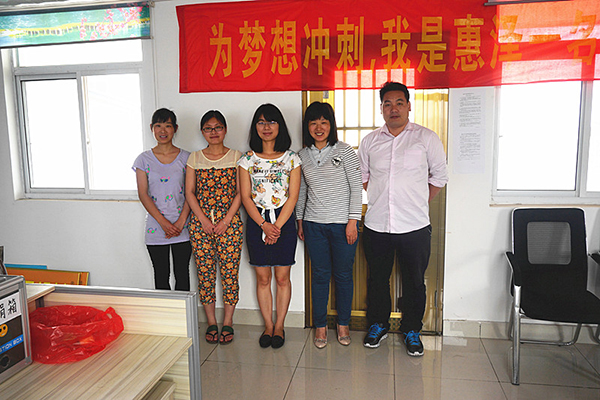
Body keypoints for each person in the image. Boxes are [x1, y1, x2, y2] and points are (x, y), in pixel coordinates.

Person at [358, 82, 448, 356]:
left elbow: (439, 177)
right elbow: (363, 178)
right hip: (377, 224)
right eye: (387, 103)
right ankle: (378, 325)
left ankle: (412, 330)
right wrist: (384, 197)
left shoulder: (426, 138)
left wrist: (416, 201)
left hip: (415, 226)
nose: (393, 108)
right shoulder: (370, 141)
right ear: (381, 108)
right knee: (377, 280)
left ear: (409, 106)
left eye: (399, 103)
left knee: (414, 282)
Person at [295, 101, 362, 348]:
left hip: (343, 226)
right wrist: (300, 220)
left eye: (324, 122)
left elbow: (357, 189)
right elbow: (301, 191)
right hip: (314, 225)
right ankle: (321, 326)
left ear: (331, 125)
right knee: (320, 276)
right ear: (307, 126)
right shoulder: (302, 155)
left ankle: (343, 324)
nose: (319, 127)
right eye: (313, 122)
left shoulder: (345, 151)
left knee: (343, 276)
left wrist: (353, 221)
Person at [238, 103, 301, 349]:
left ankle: (280, 326)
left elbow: (293, 197)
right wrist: (264, 225)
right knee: (263, 278)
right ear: (255, 127)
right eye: (261, 122)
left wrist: (276, 227)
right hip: (257, 222)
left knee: (283, 278)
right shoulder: (247, 160)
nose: (267, 127)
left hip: (284, 221)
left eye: (272, 122)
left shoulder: (292, 158)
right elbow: (245, 197)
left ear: (280, 126)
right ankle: (268, 325)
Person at [185, 110, 243, 345]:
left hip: (230, 226)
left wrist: (226, 221)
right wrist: (203, 220)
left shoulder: (237, 157)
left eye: (218, 127)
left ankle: (228, 321)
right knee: (205, 274)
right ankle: (211, 321)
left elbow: (241, 192)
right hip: (200, 226)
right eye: (208, 128)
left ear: (225, 129)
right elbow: (190, 192)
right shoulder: (195, 158)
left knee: (230, 274)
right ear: (202, 132)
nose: (213, 132)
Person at [133, 108, 192, 292]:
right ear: (152, 127)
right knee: (161, 276)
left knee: (182, 274)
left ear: (175, 128)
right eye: (158, 125)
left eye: (167, 125)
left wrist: (180, 222)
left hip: (183, 226)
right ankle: (164, 312)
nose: (163, 130)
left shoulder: (187, 158)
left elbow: (191, 192)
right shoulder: (143, 159)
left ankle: (184, 313)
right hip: (156, 227)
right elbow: (143, 194)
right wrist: (164, 223)